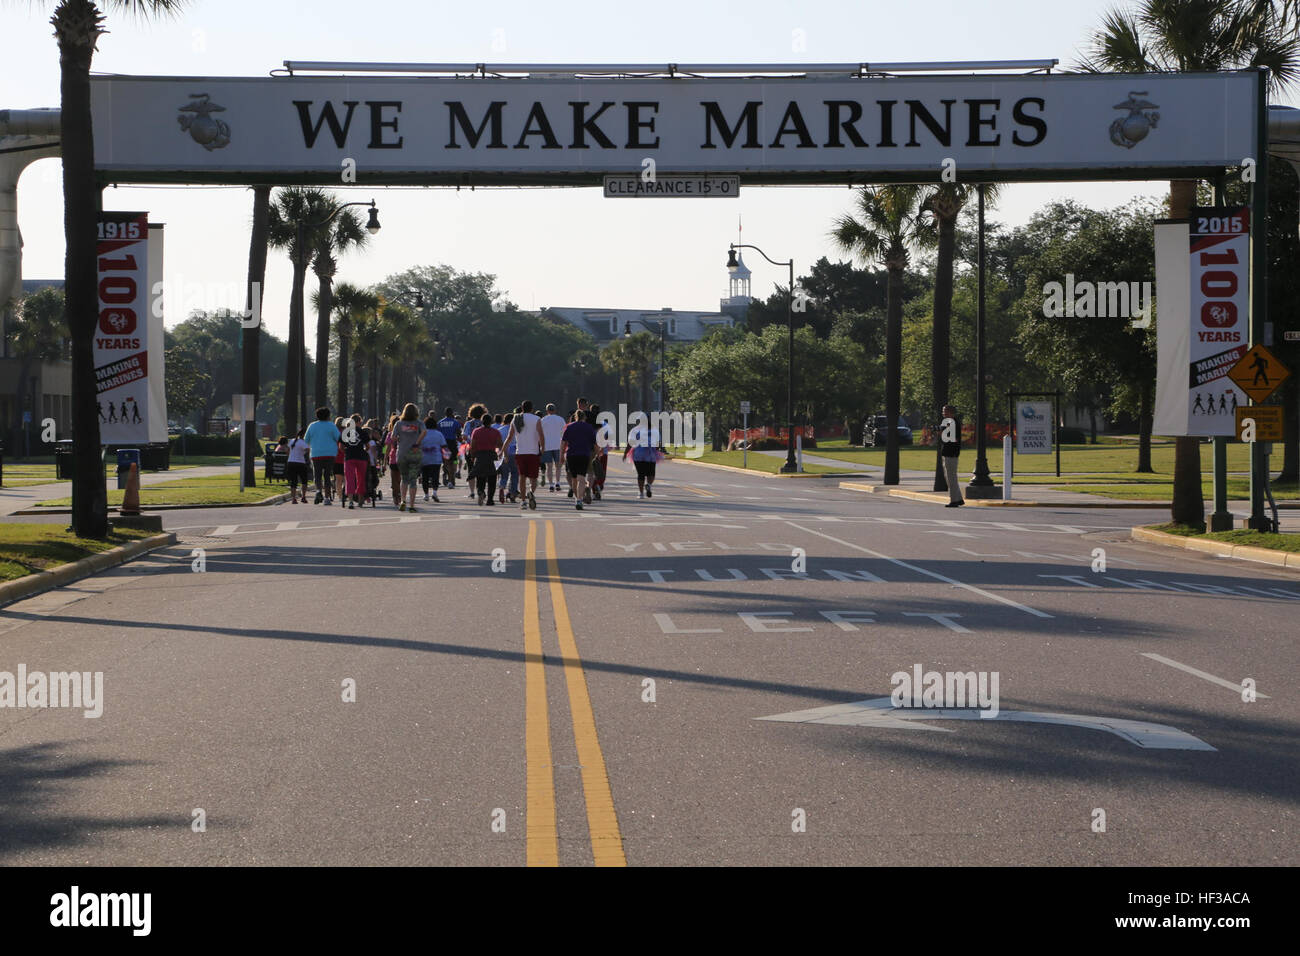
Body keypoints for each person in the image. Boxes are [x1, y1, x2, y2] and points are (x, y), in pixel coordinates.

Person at [505, 400, 544, 510]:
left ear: (522, 408)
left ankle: (523, 501)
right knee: (534, 477)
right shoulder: (537, 419)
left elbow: (509, 437)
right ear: (532, 409)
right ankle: (531, 492)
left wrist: (503, 450)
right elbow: (541, 435)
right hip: (533, 452)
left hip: (520, 452)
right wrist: (543, 448)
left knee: (522, 477)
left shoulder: (516, 418)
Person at [389, 403, 427, 512]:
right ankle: (412, 505)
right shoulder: (419, 423)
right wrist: (416, 442)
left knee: (404, 478)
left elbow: (393, 437)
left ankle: (403, 500)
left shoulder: (399, 423)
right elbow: (424, 432)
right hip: (414, 453)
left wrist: (401, 439)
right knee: (413, 480)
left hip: (402, 453)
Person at [561, 409, 599, 511]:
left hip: (571, 455)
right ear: (584, 417)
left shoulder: (569, 427)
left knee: (574, 479)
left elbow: (563, 442)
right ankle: (580, 499)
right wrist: (596, 455)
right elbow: (595, 444)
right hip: (584, 455)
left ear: (575, 417)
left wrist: (561, 455)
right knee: (581, 477)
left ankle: (577, 498)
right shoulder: (589, 427)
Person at [304, 406, 341, 505]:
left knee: (317, 475)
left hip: (316, 454)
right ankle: (327, 498)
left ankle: (318, 491)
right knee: (327, 476)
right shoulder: (331, 426)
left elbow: (306, 440)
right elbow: (338, 438)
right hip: (330, 454)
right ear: (328, 416)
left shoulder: (312, 426)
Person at [625, 420, 667, 499]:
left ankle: (641, 493)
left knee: (640, 474)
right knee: (651, 473)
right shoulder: (654, 430)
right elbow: (658, 443)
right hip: (650, 453)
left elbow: (630, 442)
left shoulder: (635, 430)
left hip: (638, 453)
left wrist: (625, 453)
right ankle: (649, 485)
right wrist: (657, 449)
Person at [469, 410, 503, 505]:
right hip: (491, 455)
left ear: (482, 421)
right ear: (491, 421)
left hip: (480, 455)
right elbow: (500, 444)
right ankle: (490, 500)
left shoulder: (476, 431)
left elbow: (472, 446)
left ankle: (481, 492)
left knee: (480, 477)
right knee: (492, 477)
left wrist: (472, 456)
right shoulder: (495, 432)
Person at [342, 414, 371, 509]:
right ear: (358, 422)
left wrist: (347, 451)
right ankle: (360, 500)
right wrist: (363, 451)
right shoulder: (362, 432)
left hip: (349, 457)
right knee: (361, 479)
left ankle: (350, 501)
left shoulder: (346, 432)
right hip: (361, 458)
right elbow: (368, 446)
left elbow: (340, 447)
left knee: (349, 479)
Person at [940, 404, 964, 508]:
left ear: (951, 413)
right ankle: (958, 499)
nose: (943, 413)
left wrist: (944, 435)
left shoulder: (953, 423)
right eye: (943, 411)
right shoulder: (949, 423)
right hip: (948, 453)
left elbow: (954, 439)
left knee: (951, 478)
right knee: (951, 477)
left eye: (945, 411)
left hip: (951, 454)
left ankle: (954, 501)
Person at [540, 403, 566, 492]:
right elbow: (564, 432)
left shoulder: (543, 420)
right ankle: (557, 482)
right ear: (555, 410)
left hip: (547, 445)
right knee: (558, 466)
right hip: (558, 445)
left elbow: (540, 433)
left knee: (549, 466)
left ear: (547, 410)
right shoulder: (560, 419)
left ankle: (551, 484)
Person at [420, 415, 447, 502]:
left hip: (424, 458)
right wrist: (446, 456)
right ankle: (434, 493)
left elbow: (418, 444)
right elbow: (443, 445)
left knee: (425, 477)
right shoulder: (439, 434)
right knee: (435, 476)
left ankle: (426, 495)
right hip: (436, 458)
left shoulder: (423, 433)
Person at [435, 407, 462, 489]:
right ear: (452, 413)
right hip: (453, 444)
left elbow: (438, 434)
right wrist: (460, 439)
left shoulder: (440, 422)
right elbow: (458, 433)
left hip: (444, 444)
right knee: (454, 461)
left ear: (445, 414)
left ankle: (446, 475)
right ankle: (451, 480)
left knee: (445, 462)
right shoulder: (455, 422)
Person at [286, 427, 311, 504]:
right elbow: (308, 449)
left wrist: (291, 456)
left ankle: (293, 498)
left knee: (293, 481)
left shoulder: (292, 441)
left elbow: (287, 450)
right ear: (304, 435)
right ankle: (303, 497)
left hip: (291, 462)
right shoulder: (303, 442)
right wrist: (302, 453)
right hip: (300, 462)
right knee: (304, 480)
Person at [331, 416, 348, 506]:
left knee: (338, 479)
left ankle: (340, 496)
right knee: (346, 478)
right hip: (345, 458)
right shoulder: (345, 433)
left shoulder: (333, 433)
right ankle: (346, 494)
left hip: (335, 458)